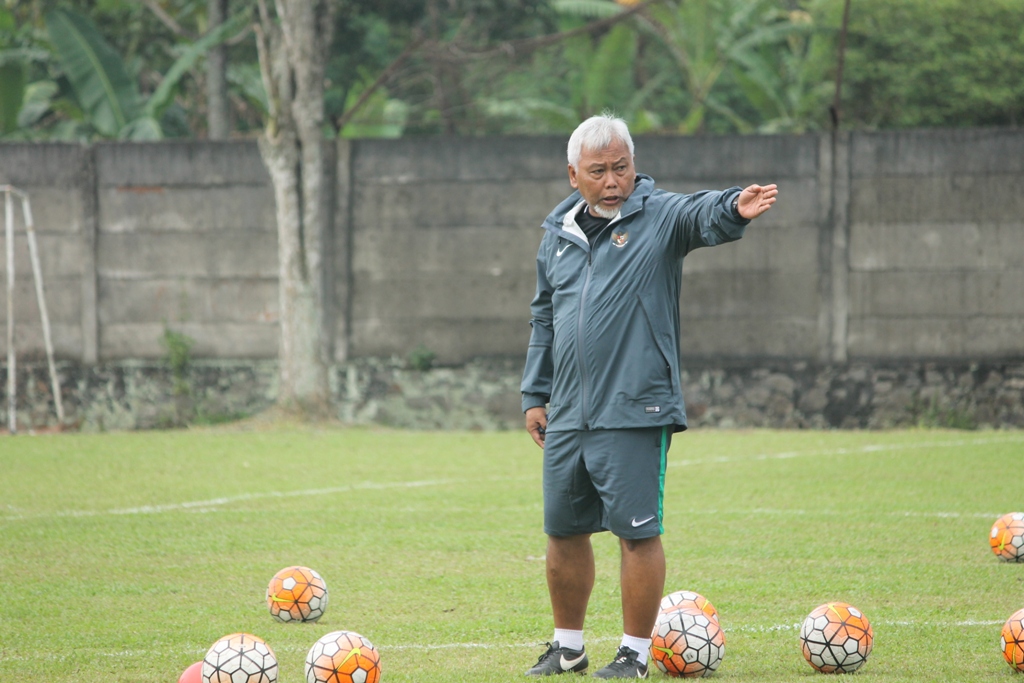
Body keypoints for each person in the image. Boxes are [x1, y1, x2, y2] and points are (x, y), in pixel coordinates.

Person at [520, 114, 777, 679]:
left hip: (637, 408)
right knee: (563, 531)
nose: (613, 181)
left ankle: (634, 654)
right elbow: (545, 319)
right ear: (573, 175)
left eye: (621, 167)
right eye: (598, 171)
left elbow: (701, 212)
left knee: (638, 535)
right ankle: (568, 647)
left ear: (634, 166)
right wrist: (535, 393)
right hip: (567, 412)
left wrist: (735, 206)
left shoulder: (659, 218)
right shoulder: (556, 237)